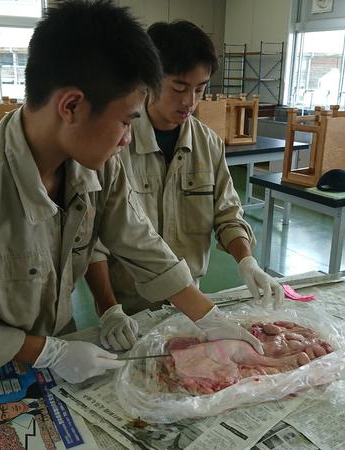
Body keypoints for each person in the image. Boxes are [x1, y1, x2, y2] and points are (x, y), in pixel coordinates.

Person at [0, 0, 262, 383]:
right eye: (126, 122)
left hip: (45, 342)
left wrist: (210, 318)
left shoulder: (99, 165)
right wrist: (48, 352)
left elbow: (140, 242)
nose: (128, 139)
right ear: (71, 105)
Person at [85, 20, 284, 351]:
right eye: (178, 87)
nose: (190, 101)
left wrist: (247, 261)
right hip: (130, 307)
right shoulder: (116, 143)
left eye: (200, 89)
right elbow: (94, 239)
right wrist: (109, 309)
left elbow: (227, 214)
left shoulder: (208, 144)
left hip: (192, 303)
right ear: (148, 80)